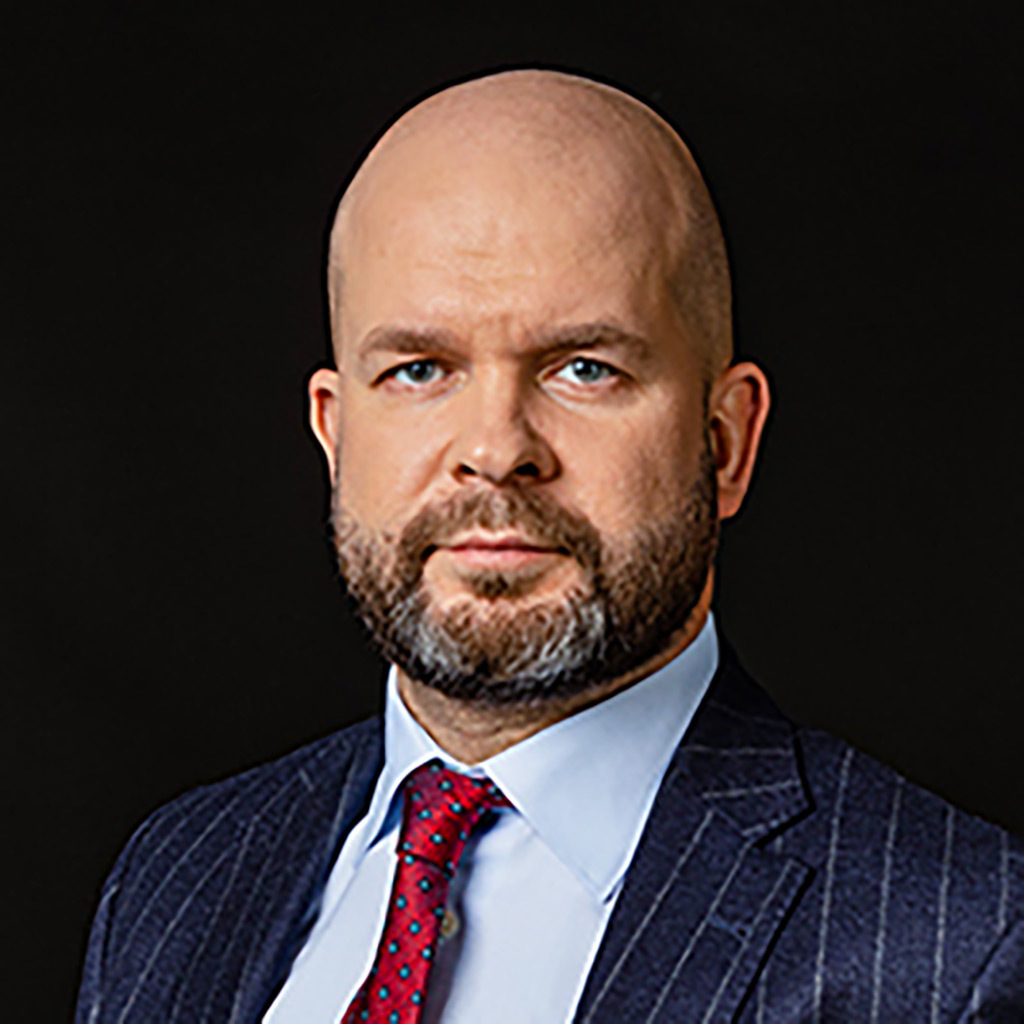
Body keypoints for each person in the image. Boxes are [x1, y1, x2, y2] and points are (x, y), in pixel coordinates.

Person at [75, 69, 1022, 1023]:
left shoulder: (962, 948)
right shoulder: (176, 878)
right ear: (335, 435)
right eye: (419, 370)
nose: (496, 450)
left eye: (583, 368)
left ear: (726, 443)